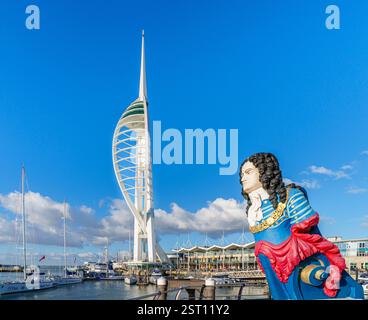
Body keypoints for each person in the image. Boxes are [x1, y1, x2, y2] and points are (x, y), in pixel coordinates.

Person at [239, 152, 364, 300]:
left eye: (248, 172)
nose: (243, 178)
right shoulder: (253, 211)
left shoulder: (290, 196)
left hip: (295, 259)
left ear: (265, 171)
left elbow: (311, 233)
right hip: (270, 261)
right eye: (241, 174)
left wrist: (329, 262)